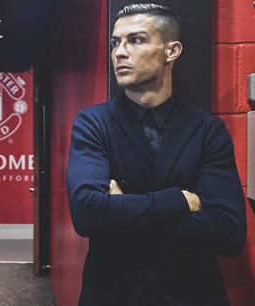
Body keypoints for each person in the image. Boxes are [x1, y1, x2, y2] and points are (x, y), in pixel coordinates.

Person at [66, 3, 247, 306]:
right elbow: (86, 215)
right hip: (113, 294)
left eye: (135, 40)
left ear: (171, 51)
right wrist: (180, 201)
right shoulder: (93, 123)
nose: (119, 52)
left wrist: (121, 210)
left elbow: (228, 232)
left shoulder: (207, 130)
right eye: (115, 43)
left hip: (191, 296)